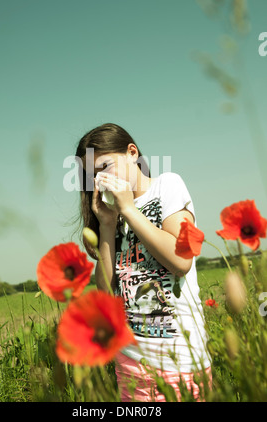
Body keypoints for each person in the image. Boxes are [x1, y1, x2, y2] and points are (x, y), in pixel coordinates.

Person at [75, 122, 212, 402]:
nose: (100, 180)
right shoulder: (110, 215)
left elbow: (181, 260)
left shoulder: (167, 185)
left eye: (105, 167)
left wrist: (129, 209)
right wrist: (108, 225)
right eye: (93, 176)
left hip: (179, 364)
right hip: (130, 362)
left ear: (132, 153)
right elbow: (104, 292)